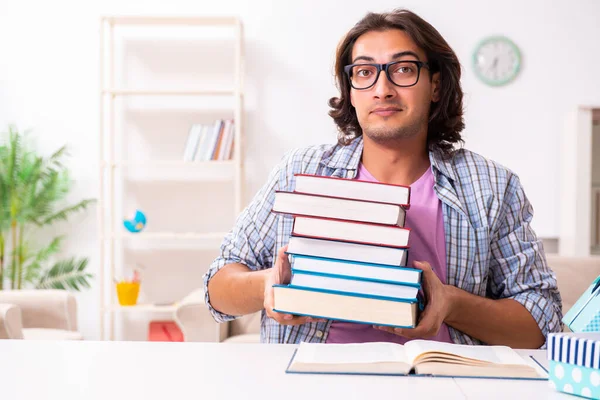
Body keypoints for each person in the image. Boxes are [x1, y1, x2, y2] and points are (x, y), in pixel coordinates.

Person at [203, 8, 562, 348]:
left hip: (443, 382)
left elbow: (543, 321)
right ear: (351, 90)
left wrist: (451, 304)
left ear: (435, 85)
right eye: (364, 72)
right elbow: (217, 287)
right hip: (311, 382)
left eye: (403, 70)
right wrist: (267, 284)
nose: (382, 89)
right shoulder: (300, 171)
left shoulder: (492, 186)